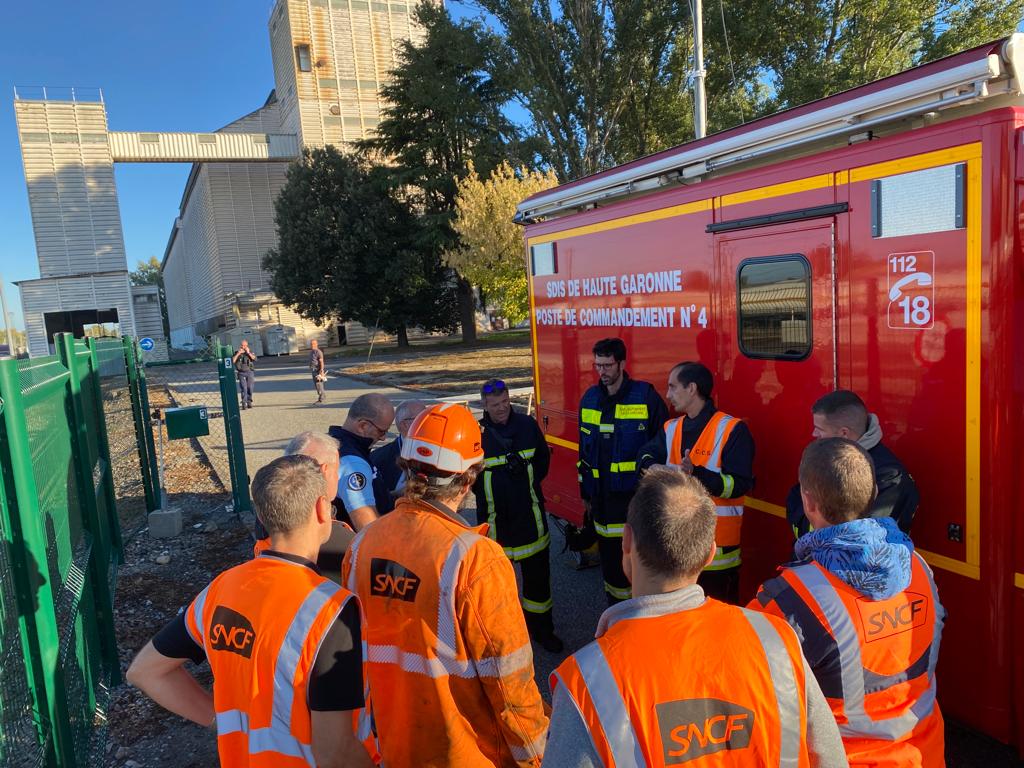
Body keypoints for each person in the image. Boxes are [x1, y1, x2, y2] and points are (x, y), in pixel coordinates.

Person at [545, 468, 847, 767]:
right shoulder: (778, 641)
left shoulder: (587, 683)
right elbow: (830, 758)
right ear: (709, 554)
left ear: (626, 541)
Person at [126, 455, 373, 768]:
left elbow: (145, 671)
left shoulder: (221, 588)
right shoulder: (332, 608)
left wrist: (221, 721)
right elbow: (334, 751)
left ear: (261, 513)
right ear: (322, 510)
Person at [342, 403, 548, 767]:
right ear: (468, 478)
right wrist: (536, 756)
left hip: (394, 747)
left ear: (406, 466)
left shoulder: (361, 545)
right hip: (466, 754)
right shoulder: (475, 558)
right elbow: (508, 680)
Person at [751, 438, 945, 767]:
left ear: (808, 503)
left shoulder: (785, 599)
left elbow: (755, 703)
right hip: (924, 754)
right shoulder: (918, 568)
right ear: (872, 496)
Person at [637, 361, 755, 604]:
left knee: (717, 627)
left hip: (718, 554)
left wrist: (696, 473)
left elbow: (739, 485)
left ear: (692, 388)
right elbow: (645, 453)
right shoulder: (671, 427)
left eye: (672, 387)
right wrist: (650, 465)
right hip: (675, 549)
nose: (668, 395)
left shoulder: (732, 429)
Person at [472, 378, 562, 653]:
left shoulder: (526, 425)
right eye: (494, 405)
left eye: (505, 403)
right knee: (497, 587)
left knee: (538, 583)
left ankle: (543, 631)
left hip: (530, 516)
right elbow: (468, 474)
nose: (501, 409)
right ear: (484, 405)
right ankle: (503, 638)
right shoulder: (477, 432)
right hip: (495, 522)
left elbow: (543, 463)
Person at [578, 337, 669, 604]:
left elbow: (663, 443)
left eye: (607, 365)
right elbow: (584, 451)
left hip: (634, 500)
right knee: (611, 565)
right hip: (601, 502)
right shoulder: (590, 399)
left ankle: (640, 613)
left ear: (622, 363)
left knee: (640, 563)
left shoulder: (645, 396)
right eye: (598, 365)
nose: (602, 372)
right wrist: (585, 492)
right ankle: (616, 614)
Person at [786, 390, 919, 538]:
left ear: (844, 433)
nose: (814, 434)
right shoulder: (826, 459)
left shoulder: (889, 478)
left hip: (834, 558)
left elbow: (861, 541)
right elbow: (796, 503)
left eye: (820, 429)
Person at [252, 431, 355, 573]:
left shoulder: (267, 513)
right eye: (337, 470)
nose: (337, 478)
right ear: (324, 472)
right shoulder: (343, 543)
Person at [328, 393, 395, 530]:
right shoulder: (353, 463)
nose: (383, 438)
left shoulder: (334, 443)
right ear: (363, 426)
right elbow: (367, 523)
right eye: (382, 432)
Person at [369, 399, 426, 513]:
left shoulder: (439, 451)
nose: (429, 422)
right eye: (422, 418)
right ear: (404, 424)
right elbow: (375, 503)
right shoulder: (378, 459)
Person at [231, 340, 256, 410]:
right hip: (241, 373)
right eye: (242, 345)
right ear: (240, 346)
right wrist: (238, 353)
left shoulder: (250, 352)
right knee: (243, 387)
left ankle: (249, 401)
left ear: (247, 346)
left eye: (245, 345)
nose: (243, 347)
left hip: (249, 372)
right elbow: (232, 361)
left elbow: (254, 358)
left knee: (250, 387)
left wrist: (248, 352)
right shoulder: (237, 352)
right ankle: (244, 403)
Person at [310, 339, 327, 404]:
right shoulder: (311, 352)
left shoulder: (318, 352)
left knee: (319, 384)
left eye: (314, 344)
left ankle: (321, 398)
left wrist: (321, 370)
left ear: (317, 344)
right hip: (313, 370)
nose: (312, 345)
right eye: (311, 344)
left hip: (318, 370)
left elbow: (321, 361)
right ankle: (321, 396)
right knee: (316, 384)